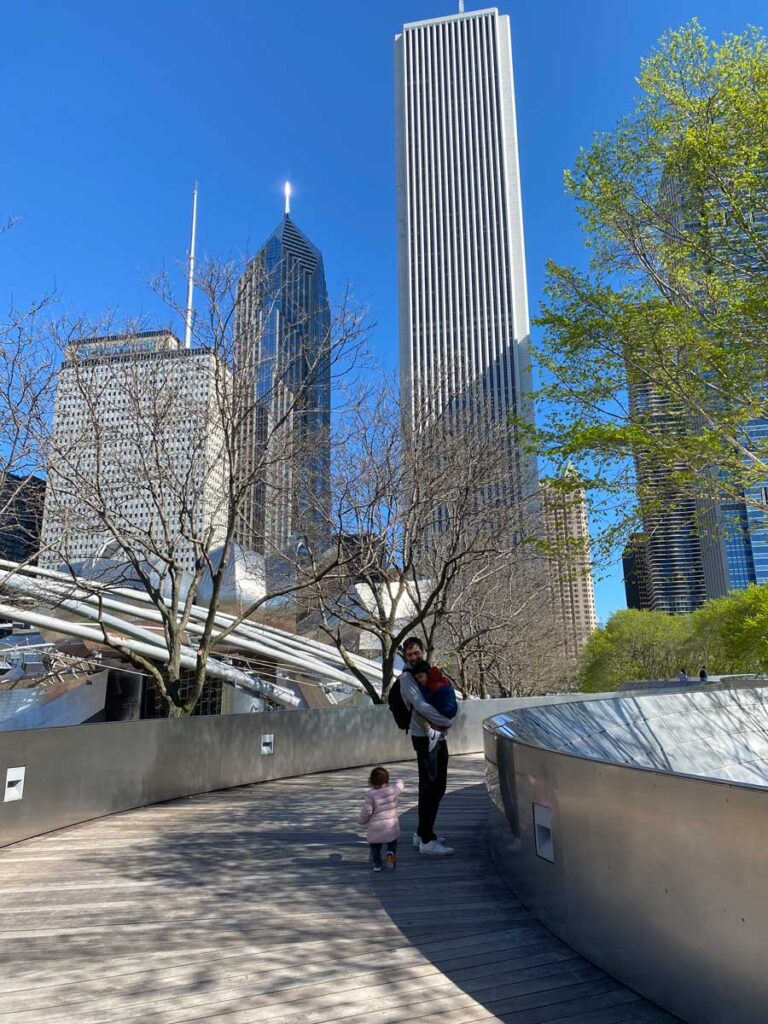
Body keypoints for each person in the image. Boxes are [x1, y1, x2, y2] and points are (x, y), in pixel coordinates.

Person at [398, 636, 456, 857]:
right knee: (431, 786)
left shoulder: (424, 671)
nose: (413, 657)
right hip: (424, 736)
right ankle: (426, 840)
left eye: (416, 653)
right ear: (405, 655)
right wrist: (445, 721)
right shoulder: (407, 677)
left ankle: (423, 832)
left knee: (438, 784)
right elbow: (420, 705)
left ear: (422, 651)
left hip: (436, 736)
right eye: (409, 654)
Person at [358, 766, 404, 872]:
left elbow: (367, 810)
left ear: (371, 781)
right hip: (391, 826)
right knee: (392, 844)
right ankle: (390, 855)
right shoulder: (393, 789)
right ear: (387, 779)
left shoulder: (370, 794)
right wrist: (400, 781)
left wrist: (361, 820)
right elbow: (400, 787)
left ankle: (377, 865)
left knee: (375, 847)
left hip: (376, 827)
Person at [410, 659, 458, 752]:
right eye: (417, 679)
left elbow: (425, 701)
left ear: (427, 673)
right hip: (452, 709)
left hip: (443, 711)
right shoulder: (442, 679)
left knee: (418, 711)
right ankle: (438, 728)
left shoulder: (431, 685)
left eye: (421, 677)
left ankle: (431, 732)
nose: (420, 680)